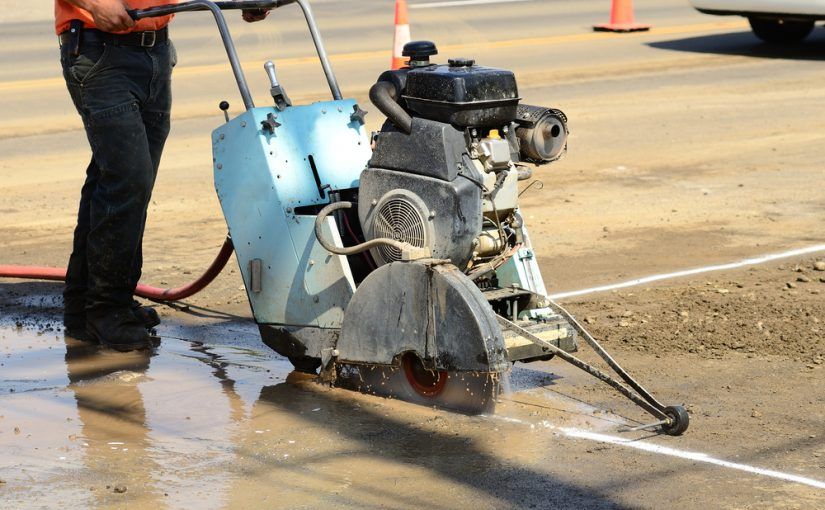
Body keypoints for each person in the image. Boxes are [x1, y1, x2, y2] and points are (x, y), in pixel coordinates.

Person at [57, 1, 269, 351]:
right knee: (128, 178)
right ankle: (107, 309)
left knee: (115, 179)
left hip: (154, 51)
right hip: (99, 50)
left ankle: (86, 305)